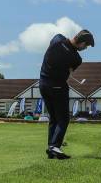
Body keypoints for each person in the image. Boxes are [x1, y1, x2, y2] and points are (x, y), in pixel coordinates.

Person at [39, 29, 94, 160]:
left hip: (43, 84)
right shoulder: (76, 58)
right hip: (58, 87)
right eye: (85, 46)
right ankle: (55, 146)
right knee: (63, 119)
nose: (85, 48)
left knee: (54, 118)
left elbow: (54, 44)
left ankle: (51, 147)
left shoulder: (57, 38)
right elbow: (69, 72)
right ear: (82, 42)